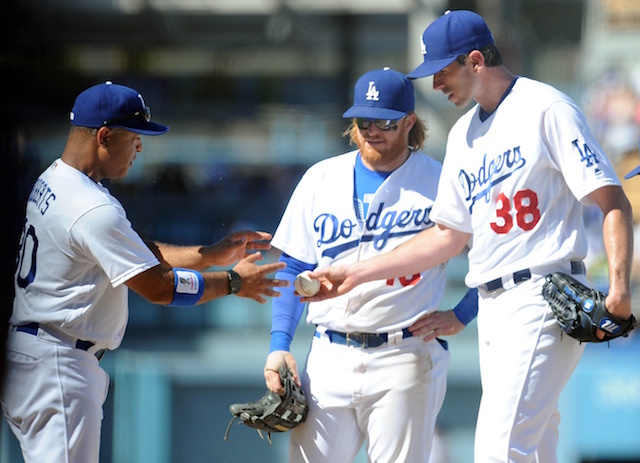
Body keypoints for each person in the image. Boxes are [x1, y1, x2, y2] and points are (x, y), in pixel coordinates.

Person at [305, 10, 634, 463]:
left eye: (441, 71)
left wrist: (618, 290)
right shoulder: (462, 134)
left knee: (499, 451)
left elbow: (613, 200)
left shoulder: (546, 108)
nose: (435, 84)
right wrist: (358, 273)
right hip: (494, 308)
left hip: (543, 293)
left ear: (476, 60)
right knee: (537, 450)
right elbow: (446, 237)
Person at [1, 81, 288, 463]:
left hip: (36, 352)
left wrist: (210, 255)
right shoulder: (91, 207)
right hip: (58, 364)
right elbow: (158, 287)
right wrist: (235, 282)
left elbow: (134, 254)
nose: (140, 147)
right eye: (134, 136)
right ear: (104, 136)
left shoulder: (55, 178)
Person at [262, 67, 478, 463]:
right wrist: (279, 345)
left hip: (404, 353)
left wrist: (463, 314)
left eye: (386, 122)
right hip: (329, 353)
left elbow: (492, 254)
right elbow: (292, 267)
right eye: (364, 121)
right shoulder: (320, 178)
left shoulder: (440, 181)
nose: (372, 131)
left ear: (409, 122)